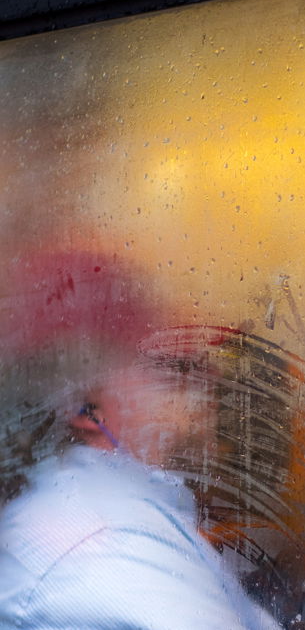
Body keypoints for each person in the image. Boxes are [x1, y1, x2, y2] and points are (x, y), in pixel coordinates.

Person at [0, 252, 283, 629]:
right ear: (86, 407)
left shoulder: (138, 514)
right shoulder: (105, 547)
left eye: (203, 363)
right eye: (177, 368)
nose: (209, 381)